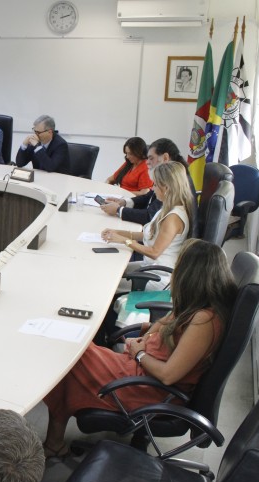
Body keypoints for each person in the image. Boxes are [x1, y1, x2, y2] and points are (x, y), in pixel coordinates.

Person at [42, 239, 238, 457]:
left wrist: (139, 353)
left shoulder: (204, 321)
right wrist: (146, 338)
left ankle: (54, 443)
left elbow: (168, 375)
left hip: (149, 389)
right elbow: (165, 322)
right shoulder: (195, 305)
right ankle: (54, 442)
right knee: (75, 351)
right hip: (139, 371)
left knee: (74, 355)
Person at [102, 161, 195, 292]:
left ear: (166, 188)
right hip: (151, 267)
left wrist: (125, 241)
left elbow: (154, 252)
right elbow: (150, 234)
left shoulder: (173, 218)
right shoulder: (168, 207)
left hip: (160, 276)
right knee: (111, 270)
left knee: (108, 283)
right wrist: (118, 233)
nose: (153, 188)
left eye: (155, 184)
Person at [100, 138, 197, 228]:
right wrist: (124, 202)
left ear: (165, 158)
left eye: (151, 158)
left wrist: (118, 210)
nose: (147, 162)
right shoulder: (171, 174)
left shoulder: (175, 180)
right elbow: (148, 197)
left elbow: (150, 216)